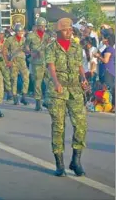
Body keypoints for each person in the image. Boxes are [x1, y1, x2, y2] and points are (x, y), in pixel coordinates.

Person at [45, 18, 88, 177]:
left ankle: (76, 161)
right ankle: (60, 163)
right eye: (66, 30)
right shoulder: (51, 47)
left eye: (70, 29)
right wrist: (56, 83)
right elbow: (51, 66)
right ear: (58, 32)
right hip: (58, 90)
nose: (69, 31)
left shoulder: (77, 47)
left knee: (81, 124)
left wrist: (83, 79)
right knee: (58, 125)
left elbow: (79, 66)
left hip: (75, 89)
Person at [94, 33, 115, 109]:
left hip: (107, 71)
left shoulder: (109, 49)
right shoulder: (106, 48)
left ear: (107, 40)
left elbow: (106, 61)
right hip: (105, 71)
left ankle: (112, 105)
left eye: (103, 38)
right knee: (105, 89)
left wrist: (98, 56)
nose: (102, 40)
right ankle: (107, 106)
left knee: (108, 88)